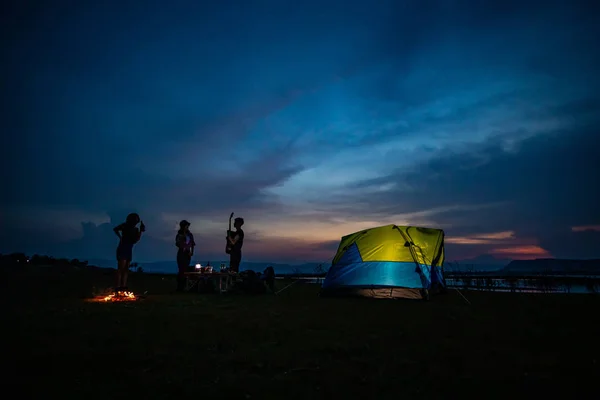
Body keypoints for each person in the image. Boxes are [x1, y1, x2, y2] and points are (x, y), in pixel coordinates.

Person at [113, 213, 145, 292]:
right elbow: (115, 229)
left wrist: (140, 231)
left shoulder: (134, 229)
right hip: (123, 248)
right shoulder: (125, 226)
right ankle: (118, 287)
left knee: (126, 269)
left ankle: (123, 286)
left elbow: (135, 240)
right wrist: (120, 237)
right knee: (121, 268)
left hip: (128, 248)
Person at [175, 219, 195, 292]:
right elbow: (177, 243)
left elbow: (192, 244)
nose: (187, 227)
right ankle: (180, 287)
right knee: (181, 269)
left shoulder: (190, 235)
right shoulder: (179, 235)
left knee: (185, 269)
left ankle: (184, 286)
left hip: (187, 254)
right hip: (181, 253)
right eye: (186, 226)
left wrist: (191, 252)